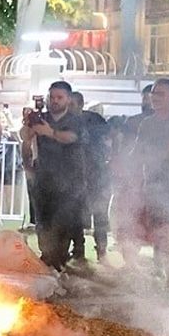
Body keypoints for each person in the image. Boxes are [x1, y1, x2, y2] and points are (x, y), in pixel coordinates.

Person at [119, 78, 169, 289]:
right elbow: (138, 151)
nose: (154, 97)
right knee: (158, 233)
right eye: (153, 93)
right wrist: (123, 163)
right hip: (153, 187)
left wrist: (146, 161)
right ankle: (161, 274)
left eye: (160, 93)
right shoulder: (147, 123)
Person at [20, 81, 85, 273]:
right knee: (43, 223)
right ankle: (47, 261)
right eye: (52, 97)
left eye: (59, 97)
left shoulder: (75, 119)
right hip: (43, 179)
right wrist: (28, 123)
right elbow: (25, 137)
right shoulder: (41, 117)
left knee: (62, 226)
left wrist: (50, 132)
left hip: (69, 182)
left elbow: (71, 137)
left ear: (68, 99)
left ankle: (58, 264)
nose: (55, 101)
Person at [69, 91, 108, 262]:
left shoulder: (95, 120)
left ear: (80, 104)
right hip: (75, 175)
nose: (69, 108)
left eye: (72, 104)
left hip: (96, 173)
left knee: (99, 213)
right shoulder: (66, 121)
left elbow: (108, 138)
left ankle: (101, 249)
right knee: (75, 214)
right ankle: (78, 249)